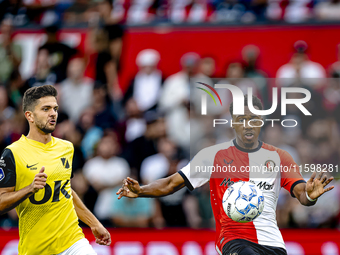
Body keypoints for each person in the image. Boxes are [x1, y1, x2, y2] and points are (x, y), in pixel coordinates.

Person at [117, 94, 334, 255]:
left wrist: (311, 195)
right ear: (232, 122)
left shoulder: (279, 157)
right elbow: (171, 183)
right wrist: (142, 191)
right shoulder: (213, 156)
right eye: (241, 118)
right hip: (234, 240)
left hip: (273, 243)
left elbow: (301, 195)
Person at [0, 85, 111, 255]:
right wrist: (30, 189)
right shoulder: (13, 153)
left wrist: (94, 223)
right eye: (46, 109)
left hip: (73, 242)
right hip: (36, 249)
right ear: (29, 115)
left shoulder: (66, 148)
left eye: (55, 108)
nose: (53, 113)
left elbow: (66, 190)